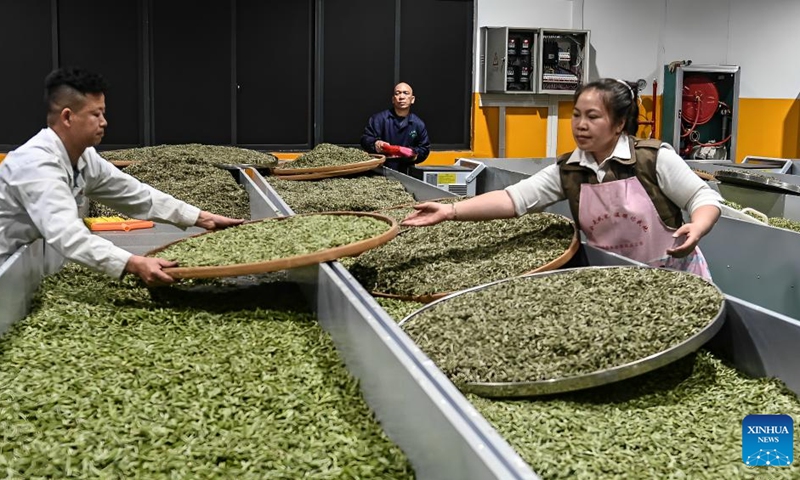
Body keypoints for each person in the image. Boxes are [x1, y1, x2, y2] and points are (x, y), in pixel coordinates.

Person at [402, 78, 722, 279]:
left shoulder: (653, 158)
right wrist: (451, 211)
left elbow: (702, 198)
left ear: (620, 123)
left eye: (593, 116)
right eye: (577, 115)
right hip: (610, 279)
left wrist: (699, 225)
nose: (580, 125)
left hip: (673, 277)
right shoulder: (569, 169)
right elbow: (515, 199)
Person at [0, 67, 244, 286]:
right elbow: (68, 236)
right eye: (96, 114)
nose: (104, 122)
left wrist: (201, 218)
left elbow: (135, 194)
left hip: (21, 266)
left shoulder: (84, 158)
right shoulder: (36, 165)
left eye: (103, 113)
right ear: (67, 117)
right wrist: (133, 263)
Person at [360, 82, 431, 174]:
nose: (401, 97)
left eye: (406, 93)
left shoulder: (418, 124)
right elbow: (365, 139)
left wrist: (411, 153)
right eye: (397, 93)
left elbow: (424, 149)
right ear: (393, 99)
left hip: (406, 172)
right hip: (380, 171)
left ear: (412, 99)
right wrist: (376, 144)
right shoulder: (378, 119)